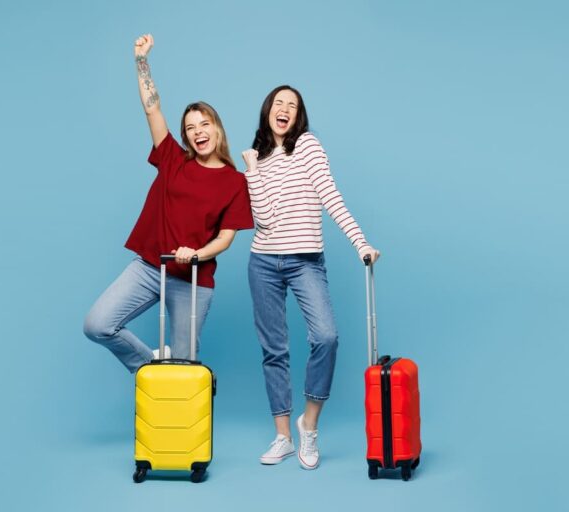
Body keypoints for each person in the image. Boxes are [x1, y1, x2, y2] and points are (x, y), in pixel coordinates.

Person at [83, 34, 253, 371]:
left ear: (217, 130)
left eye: (205, 124)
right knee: (98, 324)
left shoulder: (235, 181)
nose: (198, 131)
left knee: (185, 366)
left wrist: (197, 254)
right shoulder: (173, 158)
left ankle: (173, 373)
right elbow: (152, 108)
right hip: (150, 268)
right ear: (185, 135)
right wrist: (141, 61)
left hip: (192, 280)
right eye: (190, 127)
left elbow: (225, 238)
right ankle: (154, 367)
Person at [242, 85, 380, 469]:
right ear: (268, 110)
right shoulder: (258, 158)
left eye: (293, 105)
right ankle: (283, 437)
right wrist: (252, 170)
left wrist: (361, 242)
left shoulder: (307, 146)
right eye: (278, 103)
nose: (284, 109)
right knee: (274, 350)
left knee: (326, 337)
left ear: (298, 115)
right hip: (263, 262)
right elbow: (264, 220)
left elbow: (330, 196)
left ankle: (309, 425)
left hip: (305, 261)